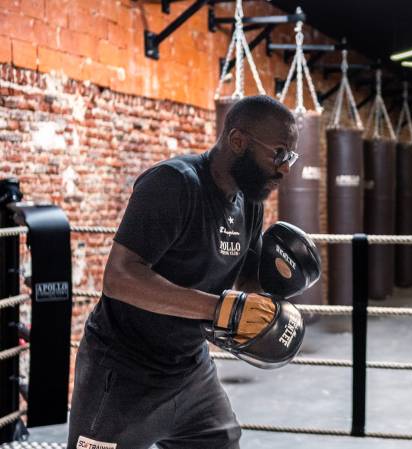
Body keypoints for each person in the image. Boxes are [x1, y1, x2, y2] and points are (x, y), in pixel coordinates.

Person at [68, 95, 314, 449]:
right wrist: (217, 310)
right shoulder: (174, 184)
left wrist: (281, 284)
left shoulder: (249, 203)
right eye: (279, 153)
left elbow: (246, 281)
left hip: (189, 369)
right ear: (238, 141)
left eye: (290, 156)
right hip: (123, 370)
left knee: (219, 442)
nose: (285, 168)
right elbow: (119, 277)